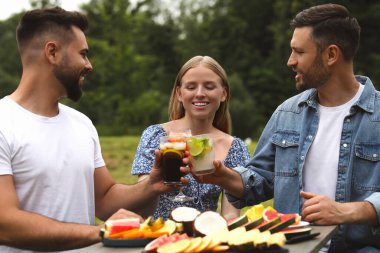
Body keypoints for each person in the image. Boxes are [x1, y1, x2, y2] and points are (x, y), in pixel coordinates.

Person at [192, 4, 380, 252]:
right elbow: (260, 180)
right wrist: (222, 176)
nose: (290, 61)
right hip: (290, 247)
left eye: (298, 52)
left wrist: (348, 211)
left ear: (331, 55)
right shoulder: (287, 113)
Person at [0, 7, 183, 253]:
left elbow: (105, 199)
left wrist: (151, 184)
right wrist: (102, 232)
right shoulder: (4, 122)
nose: (89, 65)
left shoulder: (81, 123)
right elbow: (5, 224)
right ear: (52, 52)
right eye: (83, 54)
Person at [131, 55, 250, 221]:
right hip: (161, 239)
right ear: (179, 93)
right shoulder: (156, 136)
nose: (200, 94)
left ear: (223, 94)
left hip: (205, 239)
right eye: (191, 87)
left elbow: (230, 214)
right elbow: (143, 209)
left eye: (209, 87)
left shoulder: (235, 148)